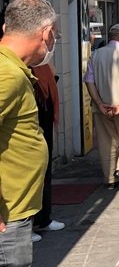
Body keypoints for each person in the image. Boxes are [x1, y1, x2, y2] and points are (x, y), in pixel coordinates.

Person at [0, 0, 55, 267]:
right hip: (8, 215)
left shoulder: (12, 68)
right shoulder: (7, 74)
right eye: (54, 35)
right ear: (45, 33)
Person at [83, 23, 119, 189]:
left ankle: (110, 179)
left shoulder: (96, 54)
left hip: (101, 106)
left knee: (107, 141)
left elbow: (89, 81)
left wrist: (99, 103)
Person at [31, 63, 66, 240]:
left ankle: (43, 219)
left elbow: (49, 92)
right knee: (31, 177)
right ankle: (26, 225)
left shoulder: (43, 68)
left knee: (44, 173)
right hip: (29, 134)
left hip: (44, 130)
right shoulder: (19, 70)